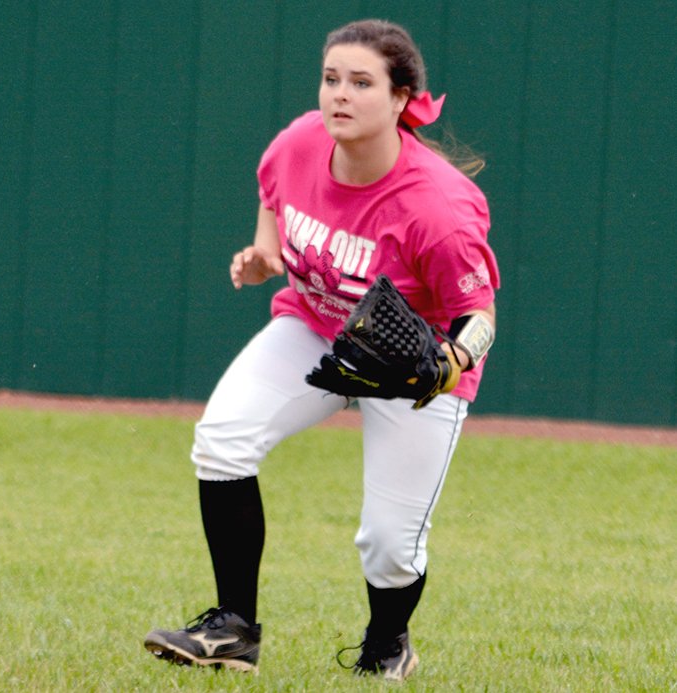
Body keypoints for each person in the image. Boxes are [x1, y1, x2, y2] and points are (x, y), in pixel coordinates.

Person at [144, 18, 500, 681]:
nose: (339, 94)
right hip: (314, 324)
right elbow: (273, 194)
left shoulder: (438, 206)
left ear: (401, 100)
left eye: (362, 82)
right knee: (222, 439)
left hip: (408, 370)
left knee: (389, 545)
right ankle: (233, 628)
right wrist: (265, 253)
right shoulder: (299, 143)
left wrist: (449, 360)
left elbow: (479, 315)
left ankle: (388, 641)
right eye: (331, 78)